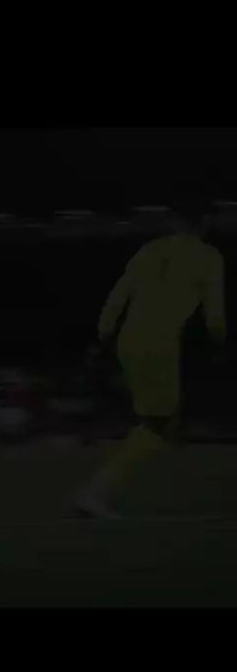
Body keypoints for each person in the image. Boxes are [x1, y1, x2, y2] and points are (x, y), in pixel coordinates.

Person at [71, 214, 226, 518]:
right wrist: (219, 340)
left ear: (176, 225)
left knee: (158, 419)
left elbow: (120, 293)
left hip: (128, 338)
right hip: (160, 342)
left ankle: (112, 481)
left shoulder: (150, 250)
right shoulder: (208, 256)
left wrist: (104, 334)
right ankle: (95, 492)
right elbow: (214, 309)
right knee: (157, 424)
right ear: (205, 228)